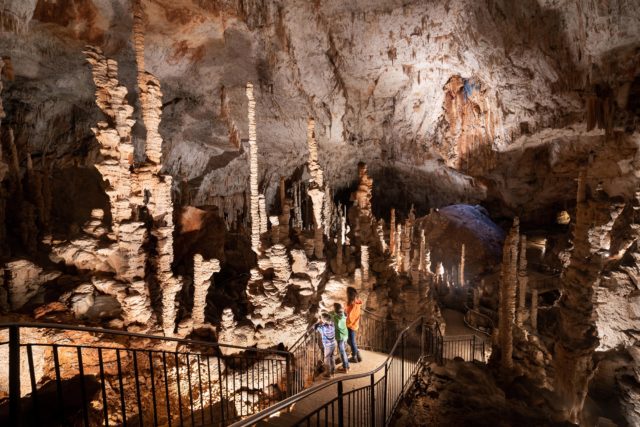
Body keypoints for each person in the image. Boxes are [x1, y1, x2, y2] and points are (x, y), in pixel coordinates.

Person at [315, 311, 336, 378]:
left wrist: (318, 322)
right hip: (333, 344)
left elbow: (316, 328)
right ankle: (333, 370)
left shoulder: (324, 328)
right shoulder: (332, 324)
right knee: (332, 356)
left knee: (326, 358)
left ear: (324, 320)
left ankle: (328, 374)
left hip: (328, 345)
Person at [330, 303, 350, 373]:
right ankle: (347, 365)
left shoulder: (335, 317)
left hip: (340, 337)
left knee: (342, 352)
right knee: (344, 351)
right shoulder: (344, 314)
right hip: (345, 335)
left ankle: (345, 368)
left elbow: (330, 315)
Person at [346, 286, 363, 363]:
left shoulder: (353, 304)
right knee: (350, 340)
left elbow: (351, 317)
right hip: (354, 324)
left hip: (351, 325)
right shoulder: (356, 302)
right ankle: (357, 354)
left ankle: (354, 357)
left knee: (351, 341)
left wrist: (345, 321)